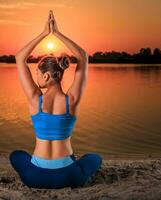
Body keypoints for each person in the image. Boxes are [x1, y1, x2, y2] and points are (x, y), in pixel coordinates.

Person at [9, 10, 103, 189]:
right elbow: (83, 57)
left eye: (37, 73)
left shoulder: (34, 99)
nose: (36, 76)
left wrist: (44, 33)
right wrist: (58, 33)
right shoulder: (72, 100)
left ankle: (45, 163)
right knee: (95, 158)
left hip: (35, 176)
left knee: (16, 155)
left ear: (45, 77)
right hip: (69, 175)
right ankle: (74, 161)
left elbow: (20, 58)